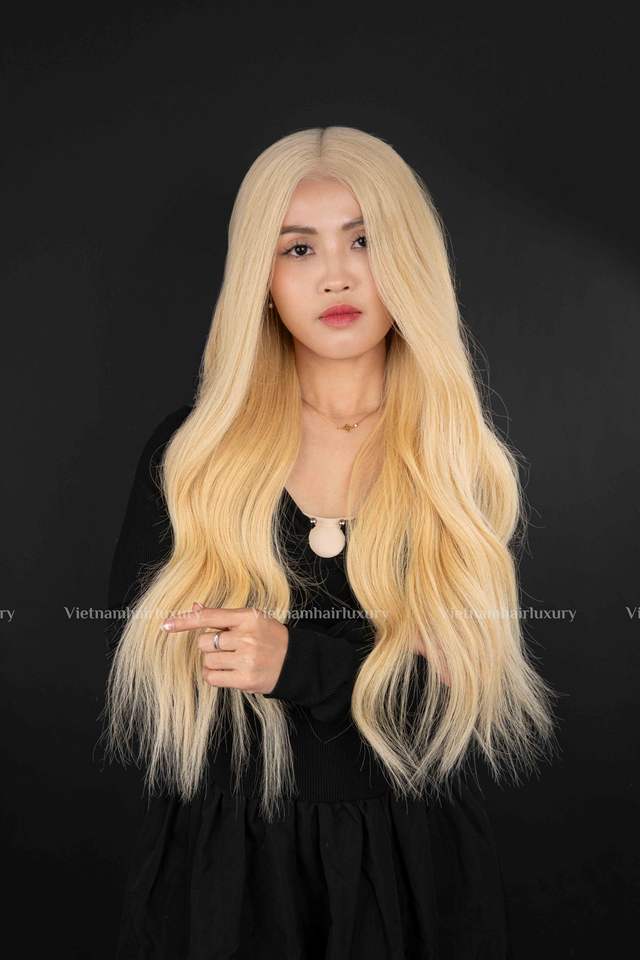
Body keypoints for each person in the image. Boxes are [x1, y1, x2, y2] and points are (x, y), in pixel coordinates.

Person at [101, 126, 559, 959]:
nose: (337, 275)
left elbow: (454, 705)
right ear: (263, 278)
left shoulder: (454, 458)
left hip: (411, 866)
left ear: (410, 261)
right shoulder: (194, 456)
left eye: (365, 240)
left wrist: (292, 664)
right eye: (300, 248)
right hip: (231, 865)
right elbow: (157, 667)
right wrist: (377, 661)